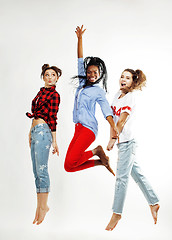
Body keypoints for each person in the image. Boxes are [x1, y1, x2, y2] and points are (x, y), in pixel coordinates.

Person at [105, 69, 160, 231]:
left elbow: (121, 122)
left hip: (128, 142)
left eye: (127, 78)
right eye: (122, 76)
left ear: (133, 82)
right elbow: (112, 120)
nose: (123, 79)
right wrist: (113, 137)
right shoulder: (117, 95)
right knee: (137, 175)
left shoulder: (130, 97)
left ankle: (117, 212)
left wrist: (113, 139)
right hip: (123, 143)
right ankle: (154, 202)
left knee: (121, 179)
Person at [64, 25, 118, 175]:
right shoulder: (82, 84)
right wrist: (80, 39)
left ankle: (96, 150)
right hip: (78, 128)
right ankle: (99, 161)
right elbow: (80, 59)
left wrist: (113, 126)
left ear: (99, 73)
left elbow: (106, 109)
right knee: (69, 166)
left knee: (72, 161)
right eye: (89, 72)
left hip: (89, 129)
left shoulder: (98, 91)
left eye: (95, 72)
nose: (91, 74)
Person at [26, 64, 62, 225]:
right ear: (43, 77)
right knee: (36, 171)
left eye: (52, 74)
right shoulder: (40, 93)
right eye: (47, 74)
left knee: (42, 171)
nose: (49, 77)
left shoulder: (55, 95)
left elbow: (52, 118)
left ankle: (43, 207)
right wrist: (29, 131)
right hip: (35, 131)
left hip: (44, 132)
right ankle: (40, 206)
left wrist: (54, 141)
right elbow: (35, 114)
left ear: (57, 78)